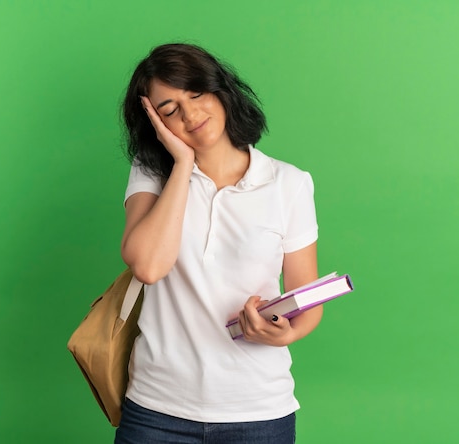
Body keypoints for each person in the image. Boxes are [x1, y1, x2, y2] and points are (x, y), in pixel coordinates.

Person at [115, 43, 321, 444]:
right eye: (170, 109)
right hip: (157, 409)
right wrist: (183, 166)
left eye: (196, 94)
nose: (191, 115)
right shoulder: (150, 174)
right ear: (154, 123)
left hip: (259, 412)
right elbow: (148, 267)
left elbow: (306, 299)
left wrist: (286, 334)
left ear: (221, 91)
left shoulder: (289, 184)